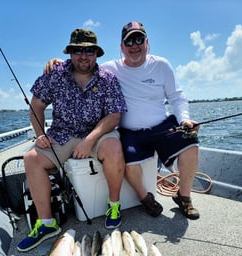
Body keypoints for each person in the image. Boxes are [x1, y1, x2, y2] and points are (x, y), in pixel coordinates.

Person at [45, 21, 200, 221]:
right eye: (129, 41)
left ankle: (184, 196)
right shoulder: (110, 69)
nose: (134, 45)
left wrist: (185, 120)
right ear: (121, 47)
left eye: (139, 39)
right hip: (130, 132)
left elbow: (177, 97)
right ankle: (145, 198)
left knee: (191, 146)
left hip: (163, 127)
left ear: (147, 42)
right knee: (129, 163)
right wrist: (58, 62)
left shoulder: (161, 65)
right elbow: (84, 64)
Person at [17, 28, 127, 252]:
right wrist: (40, 135)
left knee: (115, 147)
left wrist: (90, 140)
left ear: (97, 53)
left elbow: (114, 116)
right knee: (31, 159)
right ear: (70, 53)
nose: (83, 56)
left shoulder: (108, 78)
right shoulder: (54, 73)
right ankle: (47, 223)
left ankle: (113, 206)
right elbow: (36, 105)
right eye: (77, 50)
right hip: (62, 134)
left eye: (88, 51)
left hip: (97, 133)